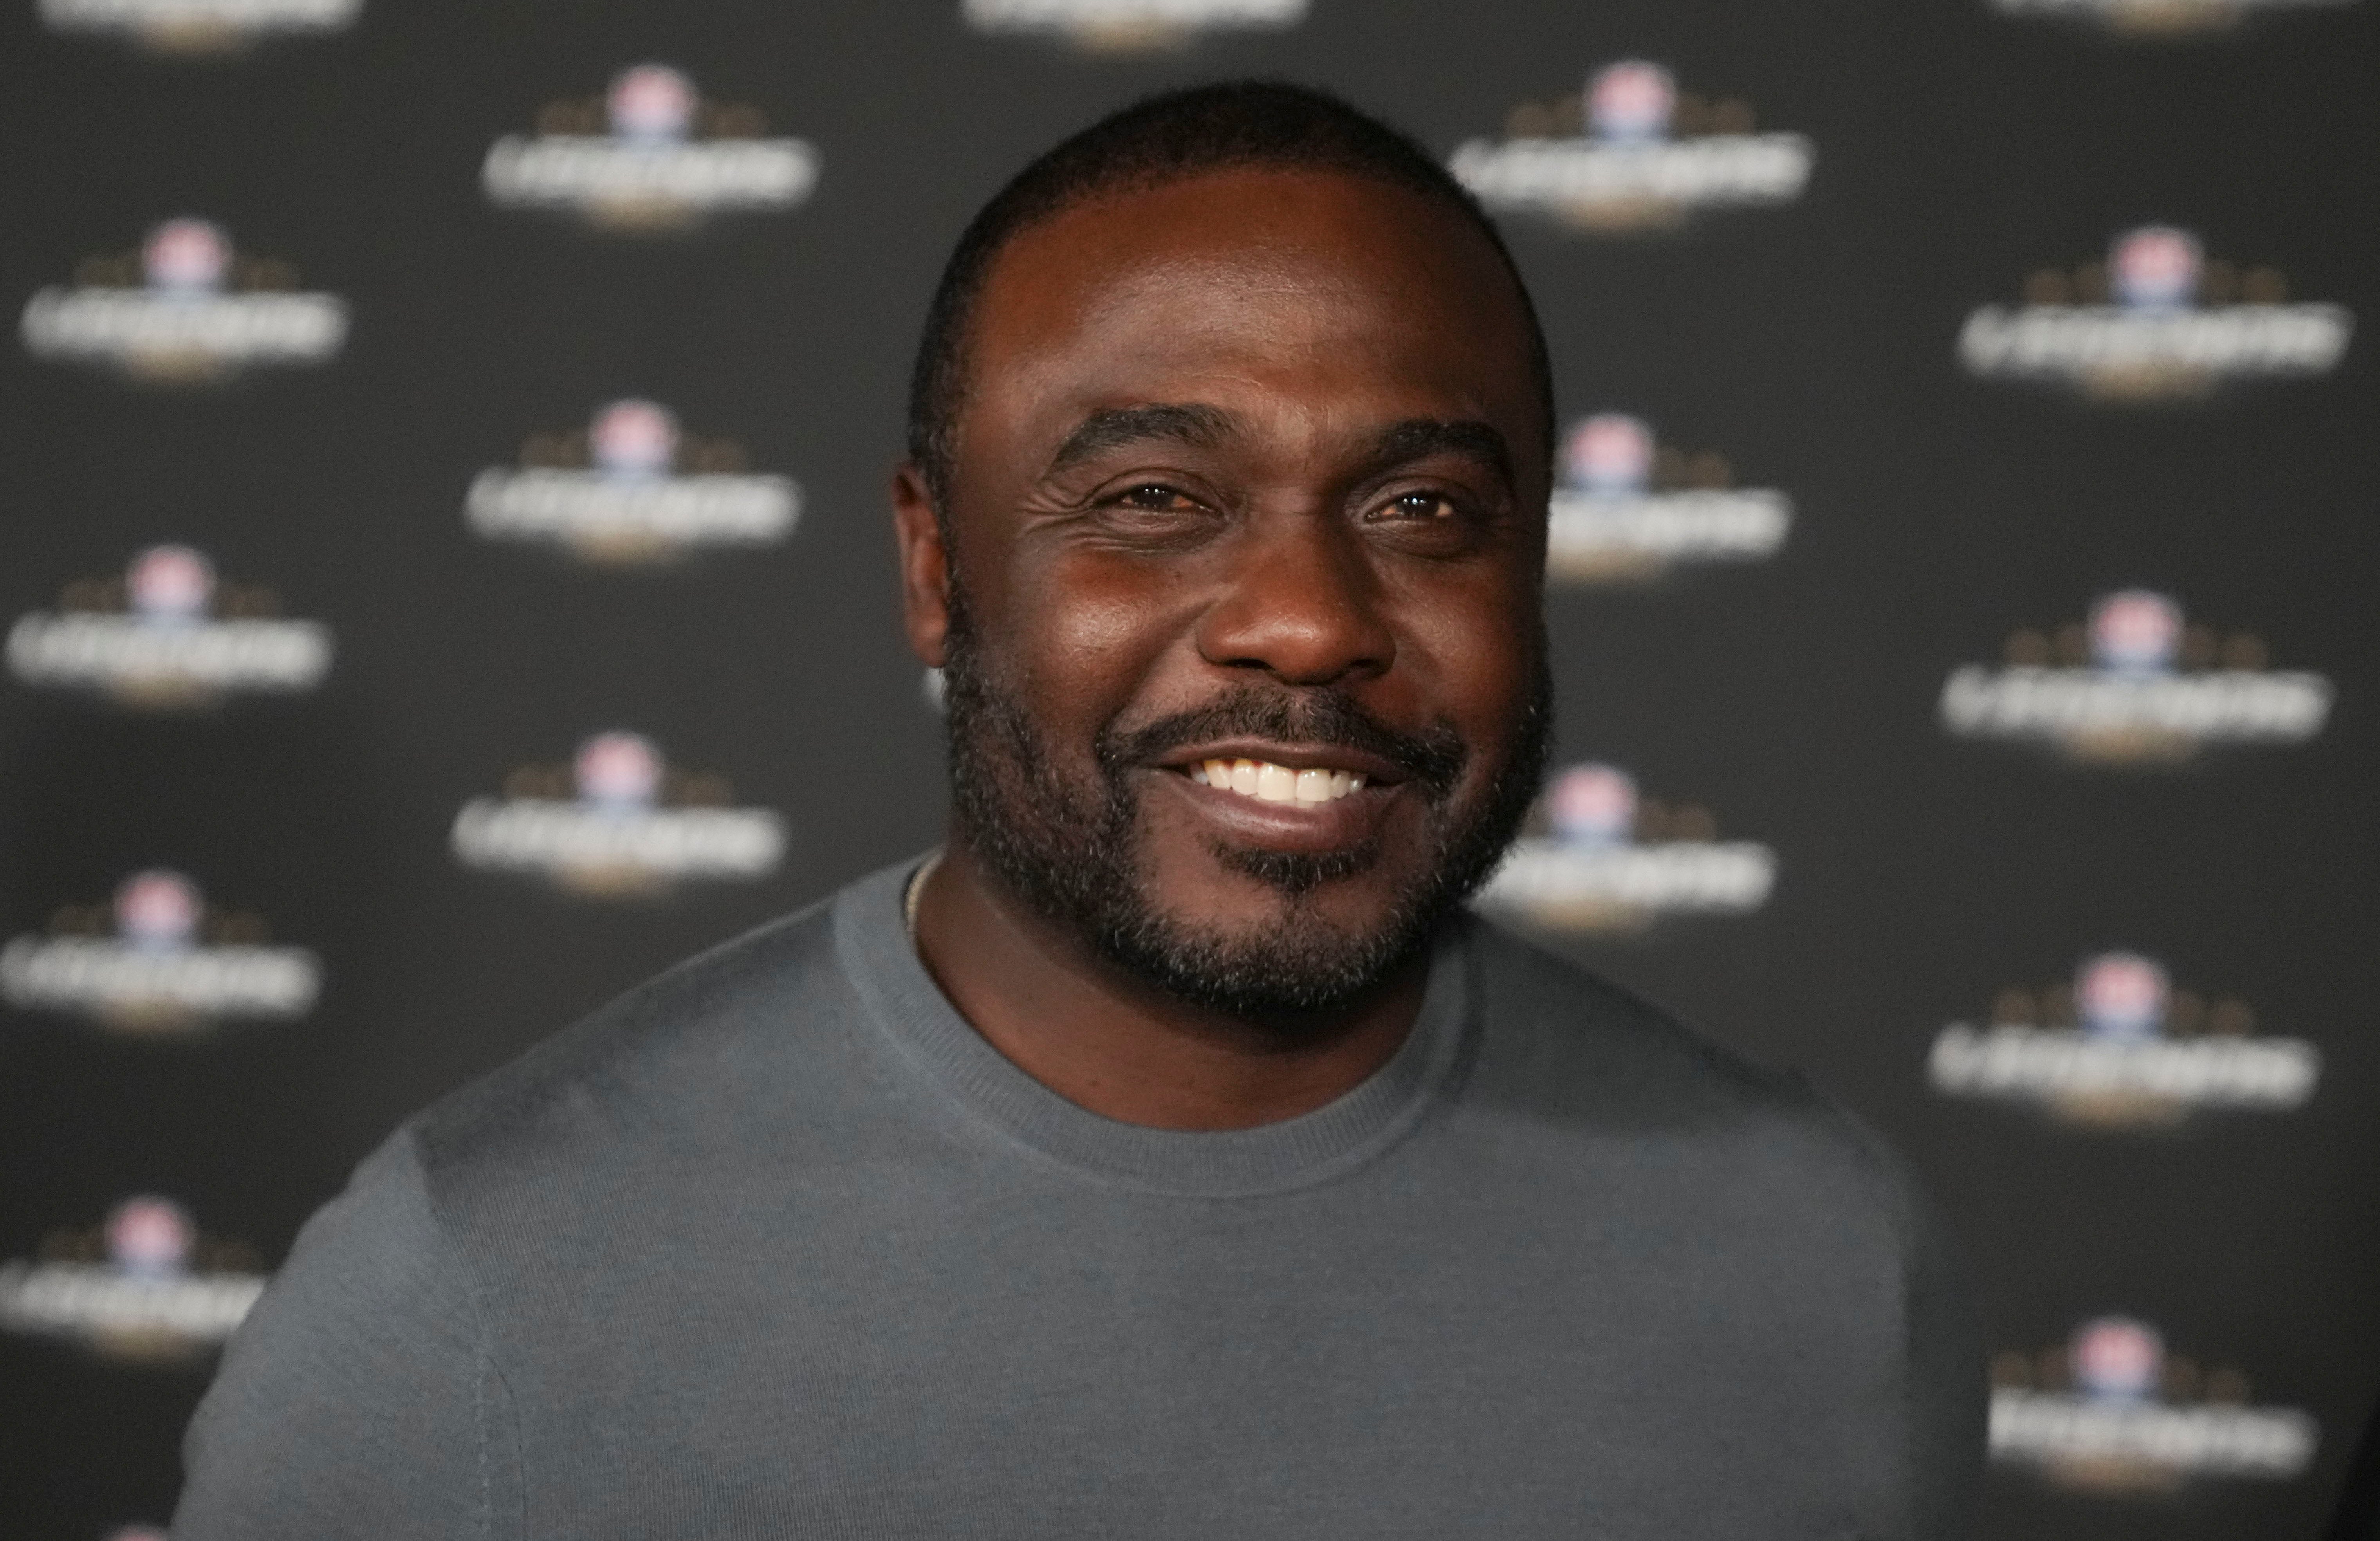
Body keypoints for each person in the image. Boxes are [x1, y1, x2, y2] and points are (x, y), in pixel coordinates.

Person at [174, 81, 1983, 1539]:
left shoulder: (1819, 1258)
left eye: (1424, 511)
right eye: (1148, 495)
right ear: (933, 564)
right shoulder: (467, 1304)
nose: (1307, 618)